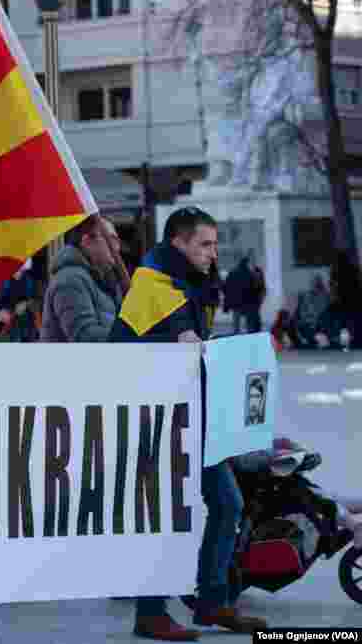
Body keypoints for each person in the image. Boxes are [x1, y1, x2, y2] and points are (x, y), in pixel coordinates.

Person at [111, 206, 268, 639]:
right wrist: (190, 344)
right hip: (153, 418)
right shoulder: (152, 285)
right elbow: (155, 346)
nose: (212, 254)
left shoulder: (190, 283)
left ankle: (212, 602)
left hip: (189, 413)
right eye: (204, 244)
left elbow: (192, 345)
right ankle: (150, 612)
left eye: (215, 245)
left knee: (227, 504)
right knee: (164, 515)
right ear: (177, 242)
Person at [40, 215, 123, 343]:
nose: (116, 247)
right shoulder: (70, 280)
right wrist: (128, 338)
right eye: (111, 239)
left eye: (117, 240)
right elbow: (84, 337)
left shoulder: (104, 281)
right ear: (86, 241)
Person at [292, 275, 330, 348]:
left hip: (321, 326)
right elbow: (302, 313)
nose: (315, 285)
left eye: (317, 283)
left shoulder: (326, 296)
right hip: (308, 326)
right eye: (314, 283)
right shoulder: (306, 297)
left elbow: (326, 313)